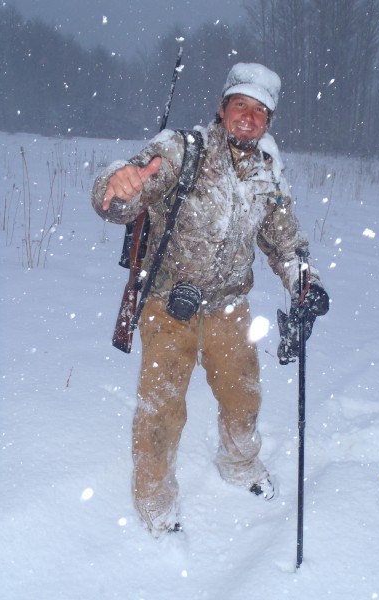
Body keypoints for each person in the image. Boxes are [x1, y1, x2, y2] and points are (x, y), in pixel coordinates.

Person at [91, 63, 329, 538]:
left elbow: (283, 239)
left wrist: (304, 282)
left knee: (243, 398)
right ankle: (155, 501)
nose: (248, 116)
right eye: (240, 104)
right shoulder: (181, 150)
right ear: (221, 109)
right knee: (161, 409)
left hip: (229, 311)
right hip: (167, 308)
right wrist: (116, 187)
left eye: (260, 111)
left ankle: (239, 464)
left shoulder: (267, 172)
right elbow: (123, 193)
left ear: (268, 122)